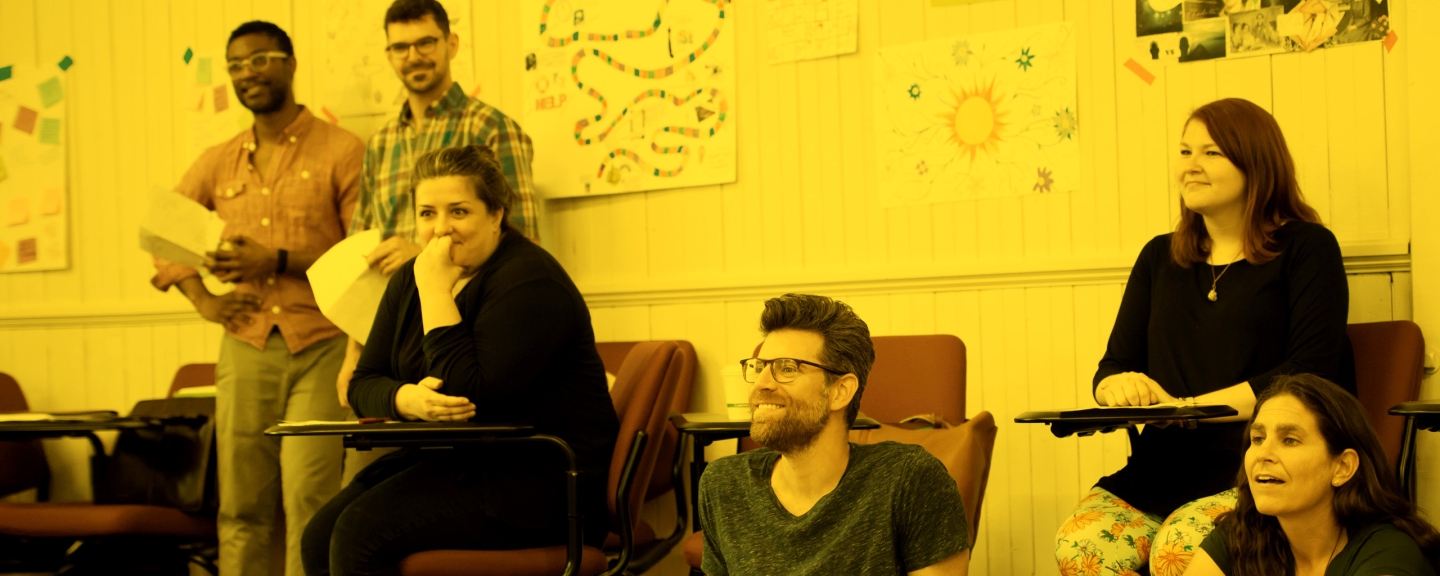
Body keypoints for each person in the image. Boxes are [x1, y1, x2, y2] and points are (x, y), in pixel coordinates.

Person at [1053, 98, 1355, 576]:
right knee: (1081, 546)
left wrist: (1187, 407)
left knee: (1180, 552)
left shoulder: (1307, 248)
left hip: (1256, 472)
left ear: (1256, 161)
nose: (1190, 166)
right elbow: (1112, 365)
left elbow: (1310, 373)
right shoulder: (1159, 258)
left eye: (1211, 153)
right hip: (1158, 472)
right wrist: (1118, 387)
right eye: (1185, 151)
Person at [300, 144, 618, 575]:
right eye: (427, 213)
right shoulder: (412, 279)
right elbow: (363, 383)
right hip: (463, 465)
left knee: (358, 535)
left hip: (540, 482)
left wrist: (434, 291)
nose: (440, 230)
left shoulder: (529, 280)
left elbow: (471, 395)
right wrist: (405, 400)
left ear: (496, 214)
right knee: (319, 534)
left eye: (459, 212)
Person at [149, 21, 365, 576]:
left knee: (309, 498)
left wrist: (277, 260)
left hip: (321, 344)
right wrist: (203, 300)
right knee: (241, 505)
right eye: (237, 65)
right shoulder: (217, 159)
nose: (249, 73)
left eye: (260, 59)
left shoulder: (343, 150)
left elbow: (361, 257)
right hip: (245, 345)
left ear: (290, 63)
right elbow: (161, 231)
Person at [336, 0, 541, 427]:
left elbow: (522, 244)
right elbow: (361, 261)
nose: (414, 56)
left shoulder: (492, 128)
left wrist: (427, 253)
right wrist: (353, 355)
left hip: (467, 338)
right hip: (389, 339)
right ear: (389, 54)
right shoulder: (379, 144)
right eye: (401, 47)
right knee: (364, 472)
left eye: (426, 42)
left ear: (451, 43)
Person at [699, 294, 970, 575]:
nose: (762, 384)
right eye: (759, 367)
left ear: (840, 391)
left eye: (787, 368)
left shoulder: (909, 479)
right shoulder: (724, 485)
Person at [1185, 374, 1440, 576]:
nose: (1263, 454)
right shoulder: (1244, 532)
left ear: (1343, 467)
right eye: (1258, 438)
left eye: (1290, 440)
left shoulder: (1389, 551)